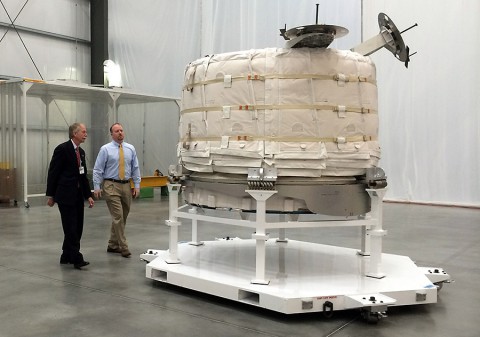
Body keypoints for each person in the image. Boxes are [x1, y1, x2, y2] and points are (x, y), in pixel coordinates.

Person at [46, 123, 95, 270]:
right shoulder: (62, 149)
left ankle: (66, 255)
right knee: (71, 227)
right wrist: (51, 195)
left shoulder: (81, 152)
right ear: (75, 133)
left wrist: (89, 195)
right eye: (83, 132)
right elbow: (53, 173)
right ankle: (76, 258)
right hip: (65, 196)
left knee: (77, 226)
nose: (86, 134)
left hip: (78, 196)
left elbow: (83, 176)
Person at [93, 123, 141, 258]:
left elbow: (135, 167)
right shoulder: (105, 149)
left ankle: (112, 245)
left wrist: (136, 185)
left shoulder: (130, 148)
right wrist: (97, 186)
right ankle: (123, 246)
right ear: (112, 134)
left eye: (121, 130)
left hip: (126, 185)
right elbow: (98, 169)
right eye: (116, 131)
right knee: (118, 216)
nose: (120, 133)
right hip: (111, 185)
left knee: (122, 217)